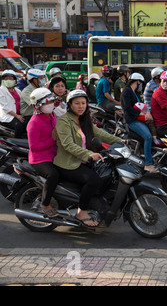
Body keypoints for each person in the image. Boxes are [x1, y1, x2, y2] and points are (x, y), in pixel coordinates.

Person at [53, 90, 122, 228]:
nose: (81, 106)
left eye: (83, 103)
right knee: (94, 179)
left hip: (82, 160)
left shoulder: (84, 120)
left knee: (106, 173)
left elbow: (100, 133)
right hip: (68, 163)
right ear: (70, 105)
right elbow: (68, 145)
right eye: (77, 103)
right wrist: (88, 154)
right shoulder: (64, 121)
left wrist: (121, 140)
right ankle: (81, 212)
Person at [27, 88, 60, 218]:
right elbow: (34, 147)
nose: (50, 104)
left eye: (51, 101)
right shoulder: (34, 123)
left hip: (53, 153)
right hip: (39, 159)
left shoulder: (52, 115)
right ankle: (45, 204)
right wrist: (53, 139)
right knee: (53, 175)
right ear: (39, 106)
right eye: (47, 102)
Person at [121, 73, 158, 173]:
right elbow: (127, 108)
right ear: (137, 81)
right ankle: (148, 164)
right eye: (141, 83)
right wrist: (140, 113)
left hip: (139, 118)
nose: (141, 85)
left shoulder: (135, 93)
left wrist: (147, 113)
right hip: (132, 120)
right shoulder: (127, 92)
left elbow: (142, 105)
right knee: (148, 137)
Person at [0, 69, 26, 138]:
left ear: (14, 80)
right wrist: (17, 116)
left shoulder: (18, 90)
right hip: (8, 116)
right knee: (19, 126)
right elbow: (5, 107)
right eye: (6, 79)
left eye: (10, 78)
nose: (8, 80)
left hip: (18, 114)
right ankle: (16, 143)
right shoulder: (1, 90)